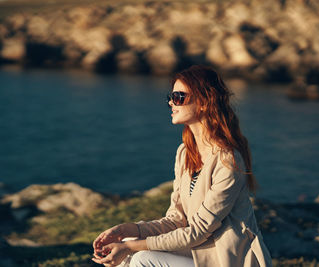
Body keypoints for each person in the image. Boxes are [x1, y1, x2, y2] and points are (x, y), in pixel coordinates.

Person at [92, 65, 272, 267]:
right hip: (200, 254)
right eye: (171, 97)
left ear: (204, 102)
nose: (171, 103)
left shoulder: (227, 159)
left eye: (179, 97)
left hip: (229, 260)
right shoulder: (185, 153)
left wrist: (133, 247)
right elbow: (176, 221)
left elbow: (199, 231)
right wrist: (125, 230)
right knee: (126, 244)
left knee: (142, 257)